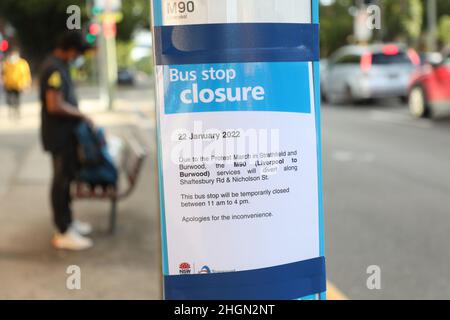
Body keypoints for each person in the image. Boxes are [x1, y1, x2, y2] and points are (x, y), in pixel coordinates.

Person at [39, 31, 95, 251]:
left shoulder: (59, 65)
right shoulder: (53, 69)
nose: (77, 57)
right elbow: (54, 105)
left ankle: (69, 223)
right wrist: (81, 115)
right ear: (69, 49)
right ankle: (62, 231)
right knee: (61, 183)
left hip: (65, 135)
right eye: (77, 53)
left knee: (66, 179)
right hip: (59, 136)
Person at [2, 47, 31, 119]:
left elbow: (26, 74)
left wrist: (27, 83)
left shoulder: (22, 63)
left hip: (18, 85)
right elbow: (3, 73)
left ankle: (17, 111)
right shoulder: (6, 63)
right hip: (8, 85)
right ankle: (11, 109)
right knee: (9, 99)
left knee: (17, 99)